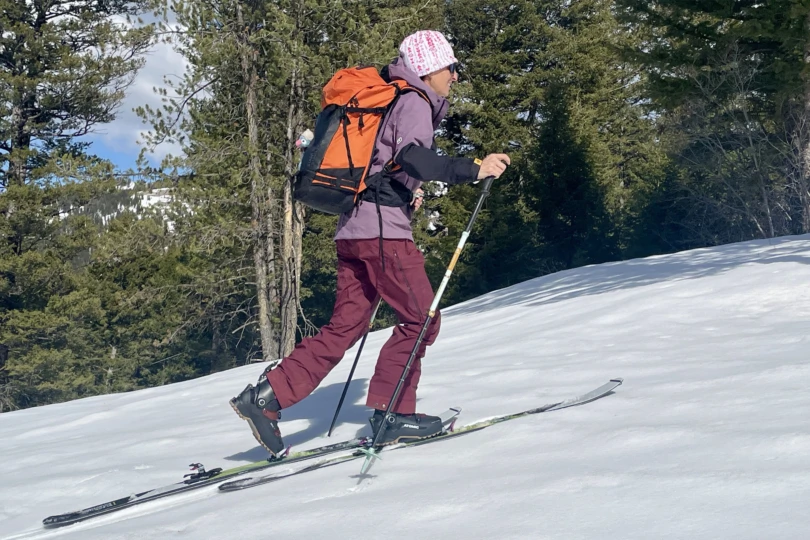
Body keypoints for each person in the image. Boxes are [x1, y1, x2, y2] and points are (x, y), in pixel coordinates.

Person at [230, 30, 510, 456]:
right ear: (429, 68)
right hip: (383, 234)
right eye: (451, 67)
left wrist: (406, 191)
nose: (455, 76)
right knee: (421, 319)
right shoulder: (413, 99)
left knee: (346, 326)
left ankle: (266, 396)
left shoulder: (392, 98)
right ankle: (392, 414)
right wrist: (473, 168)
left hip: (353, 230)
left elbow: (389, 163)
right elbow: (413, 156)